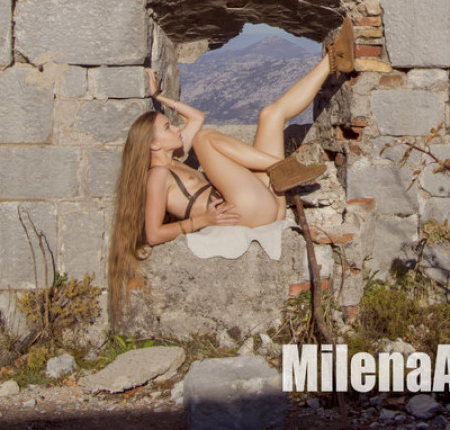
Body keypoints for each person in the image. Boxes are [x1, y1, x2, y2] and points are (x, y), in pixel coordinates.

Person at [108, 21, 353, 322]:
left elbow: (197, 117)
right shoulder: (158, 176)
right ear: (153, 146)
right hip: (245, 211)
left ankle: (334, 60)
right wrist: (203, 220)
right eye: (168, 128)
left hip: (259, 204)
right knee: (204, 138)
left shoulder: (174, 161)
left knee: (271, 115)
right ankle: (281, 167)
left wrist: (159, 96)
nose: (176, 128)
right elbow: (153, 233)